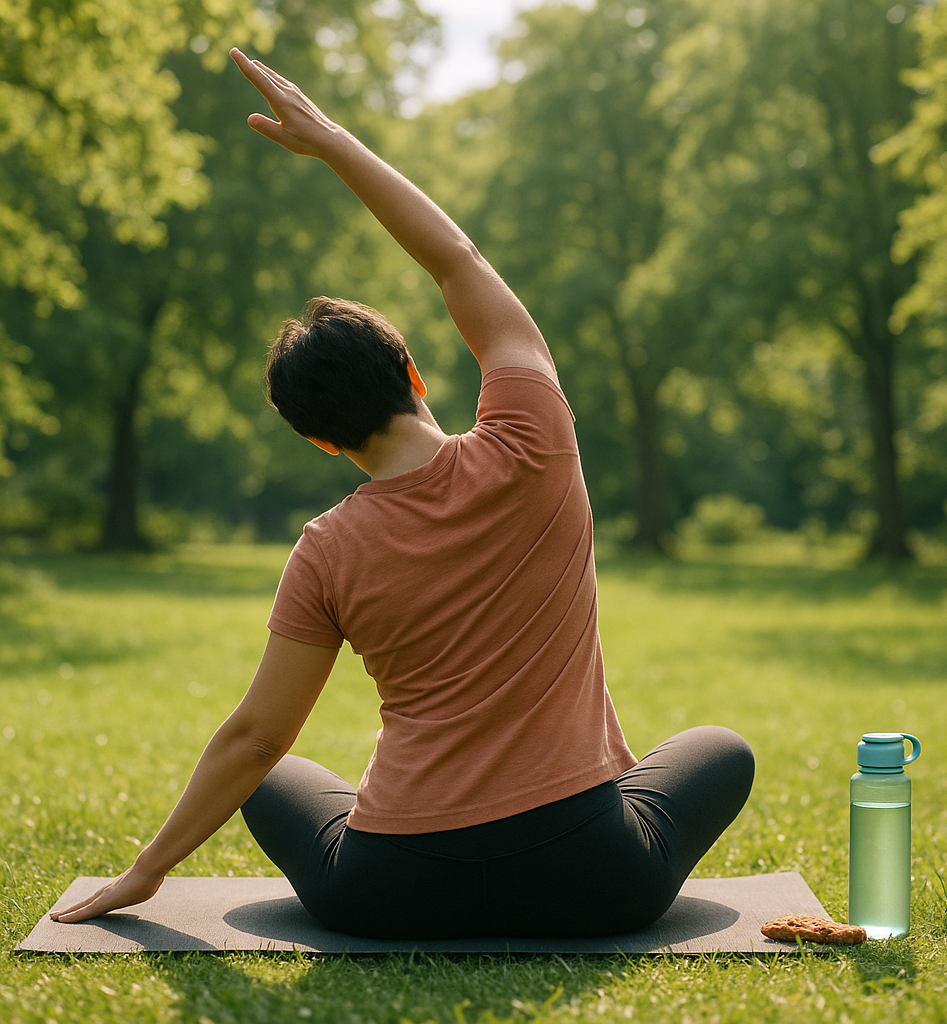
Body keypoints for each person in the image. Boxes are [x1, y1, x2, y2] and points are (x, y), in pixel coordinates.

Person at [51, 49, 754, 938]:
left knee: (271, 774)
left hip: (391, 892)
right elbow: (455, 260)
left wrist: (146, 871)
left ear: (317, 437)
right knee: (721, 750)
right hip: (593, 876)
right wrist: (336, 143)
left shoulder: (326, 547)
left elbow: (257, 739)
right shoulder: (533, 438)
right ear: (415, 372)